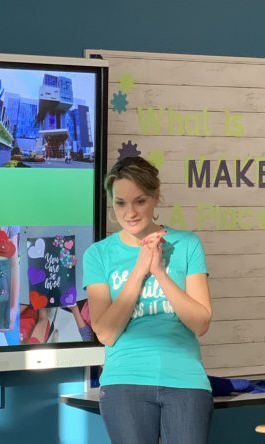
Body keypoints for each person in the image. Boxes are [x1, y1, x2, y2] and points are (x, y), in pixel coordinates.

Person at [82, 156, 213, 444]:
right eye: (120, 203)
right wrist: (140, 270)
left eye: (139, 201)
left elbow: (201, 323)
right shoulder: (98, 255)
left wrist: (160, 273)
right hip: (125, 382)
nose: (129, 212)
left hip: (185, 380)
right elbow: (106, 333)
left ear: (155, 197)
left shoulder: (187, 244)